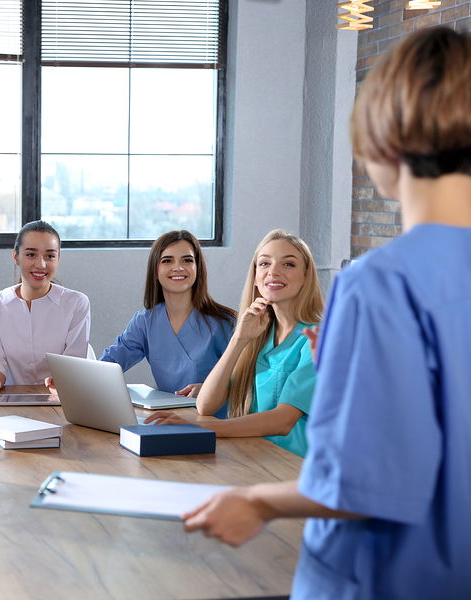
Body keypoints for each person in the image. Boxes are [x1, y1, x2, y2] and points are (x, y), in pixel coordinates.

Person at [179, 27, 471, 599]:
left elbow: (361, 480)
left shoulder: (378, 284)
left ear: (381, 139)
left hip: (377, 575)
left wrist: (256, 501)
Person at [145, 230, 323, 458]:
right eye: (264, 263)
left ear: (306, 276)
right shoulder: (260, 333)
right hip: (255, 458)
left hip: (299, 469)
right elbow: (206, 406)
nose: (274, 272)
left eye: (288, 264)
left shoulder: (320, 339)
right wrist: (239, 339)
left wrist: (196, 428)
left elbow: (282, 421)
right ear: (256, 277)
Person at [99, 230, 235, 405]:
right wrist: (71, 380)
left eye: (187, 260)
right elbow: (108, 365)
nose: (177, 267)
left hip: (214, 424)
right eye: (167, 261)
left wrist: (212, 390)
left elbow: (249, 382)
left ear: (197, 269)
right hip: (166, 420)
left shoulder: (223, 324)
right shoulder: (145, 322)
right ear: (155, 271)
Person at [0, 220, 90, 399]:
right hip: (13, 404)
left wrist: (63, 379)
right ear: (16, 257)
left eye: (50, 256)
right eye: (31, 254)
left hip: (64, 403)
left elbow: (73, 365)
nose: (41, 264)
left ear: (58, 259)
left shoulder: (76, 303)